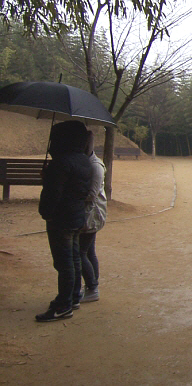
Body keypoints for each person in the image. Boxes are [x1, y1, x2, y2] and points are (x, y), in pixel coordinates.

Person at [35, 120, 92, 322]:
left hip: (61, 218)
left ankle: (63, 305)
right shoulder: (84, 160)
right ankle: (73, 297)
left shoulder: (61, 162)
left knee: (64, 262)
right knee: (74, 259)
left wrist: (46, 212)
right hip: (76, 216)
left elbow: (54, 193)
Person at [79, 130, 106, 304]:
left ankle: (92, 286)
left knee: (80, 252)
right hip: (88, 213)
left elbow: (91, 194)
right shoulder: (85, 163)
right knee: (88, 251)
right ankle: (92, 286)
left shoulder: (95, 166)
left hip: (92, 214)